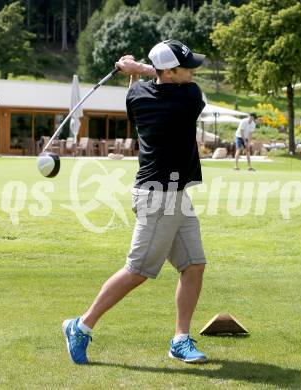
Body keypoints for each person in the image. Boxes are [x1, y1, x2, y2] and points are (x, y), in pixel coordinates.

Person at [62, 40, 208, 365]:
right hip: (158, 196)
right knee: (137, 270)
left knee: (193, 265)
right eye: (187, 67)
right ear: (169, 72)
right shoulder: (188, 98)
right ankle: (81, 325)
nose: (193, 71)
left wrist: (132, 71)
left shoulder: (138, 96)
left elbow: (140, 87)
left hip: (175, 194)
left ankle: (180, 340)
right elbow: (162, 81)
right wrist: (139, 68)